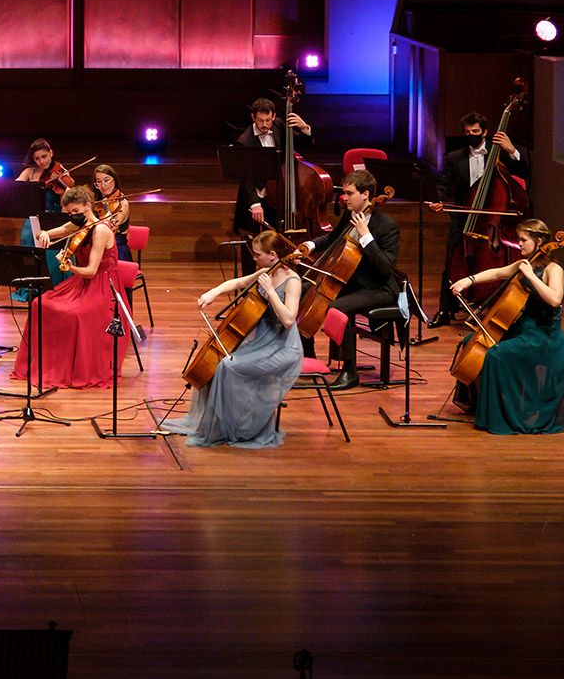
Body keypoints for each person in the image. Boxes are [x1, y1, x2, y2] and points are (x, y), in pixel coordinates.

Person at [167, 230, 304, 448]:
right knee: (216, 365)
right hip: (261, 341)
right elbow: (237, 282)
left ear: (272, 254)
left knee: (228, 367)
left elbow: (288, 320)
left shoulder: (292, 281)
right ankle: (221, 424)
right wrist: (212, 294)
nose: (254, 258)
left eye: (257, 254)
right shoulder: (267, 269)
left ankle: (237, 427)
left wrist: (269, 291)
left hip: (282, 346)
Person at [447, 218, 564, 434]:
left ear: (539, 240)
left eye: (524, 240)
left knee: (496, 355)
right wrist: (468, 280)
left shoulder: (554, 270)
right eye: (519, 240)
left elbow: (554, 299)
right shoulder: (524, 264)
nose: (519, 244)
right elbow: (497, 273)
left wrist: (530, 278)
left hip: (544, 337)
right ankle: (480, 407)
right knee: (472, 341)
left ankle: (500, 416)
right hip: (523, 329)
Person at [296, 169, 399, 388]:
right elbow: (332, 239)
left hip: (378, 288)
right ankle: (309, 357)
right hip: (352, 282)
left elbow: (384, 269)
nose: (344, 198)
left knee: (338, 308)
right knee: (302, 289)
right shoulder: (349, 214)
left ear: (366, 194)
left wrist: (366, 237)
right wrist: (309, 245)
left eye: (349, 193)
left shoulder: (386, 226)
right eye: (344, 193)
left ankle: (349, 371)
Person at [16, 185, 126, 390]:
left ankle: (70, 366)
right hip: (82, 282)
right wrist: (44, 234)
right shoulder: (80, 223)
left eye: (76, 211)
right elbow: (59, 230)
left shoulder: (100, 230)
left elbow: (92, 271)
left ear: (88, 206)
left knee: (75, 314)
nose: (72, 216)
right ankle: (50, 363)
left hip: (102, 286)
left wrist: (69, 266)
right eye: (69, 213)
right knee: (40, 304)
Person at [427, 112, 531, 325]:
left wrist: (511, 150)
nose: (471, 135)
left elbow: (524, 171)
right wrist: (437, 200)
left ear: (485, 132)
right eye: (467, 132)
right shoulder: (454, 157)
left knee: (491, 261)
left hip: (492, 220)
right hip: (463, 217)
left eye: (475, 131)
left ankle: (488, 305)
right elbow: (442, 185)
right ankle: (446, 311)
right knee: (453, 260)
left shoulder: (499, 154)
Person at [232, 97, 313, 236]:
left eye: (268, 120)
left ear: (274, 116)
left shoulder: (279, 126)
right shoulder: (244, 142)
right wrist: (255, 204)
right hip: (258, 195)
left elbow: (305, 145)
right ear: (253, 117)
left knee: (276, 238)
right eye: (260, 120)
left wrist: (304, 127)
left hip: (278, 193)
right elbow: (246, 177)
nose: (264, 124)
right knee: (252, 240)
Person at [14, 138, 72, 299]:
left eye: (44, 157)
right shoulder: (29, 172)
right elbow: (14, 191)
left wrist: (62, 185)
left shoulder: (60, 172)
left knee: (52, 247)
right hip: (35, 217)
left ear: (51, 153)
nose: (41, 162)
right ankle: (30, 288)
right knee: (27, 237)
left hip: (54, 217)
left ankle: (53, 288)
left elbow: (70, 197)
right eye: (37, 159)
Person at [90, 163, 132, 262]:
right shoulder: (96, 203)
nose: (103, 185)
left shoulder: (123, 203)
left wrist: (107, 207)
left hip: (117, 251)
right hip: (98, 248)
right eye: (98, 182)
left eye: (107, 180)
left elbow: (111, 226)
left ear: (114, 180)